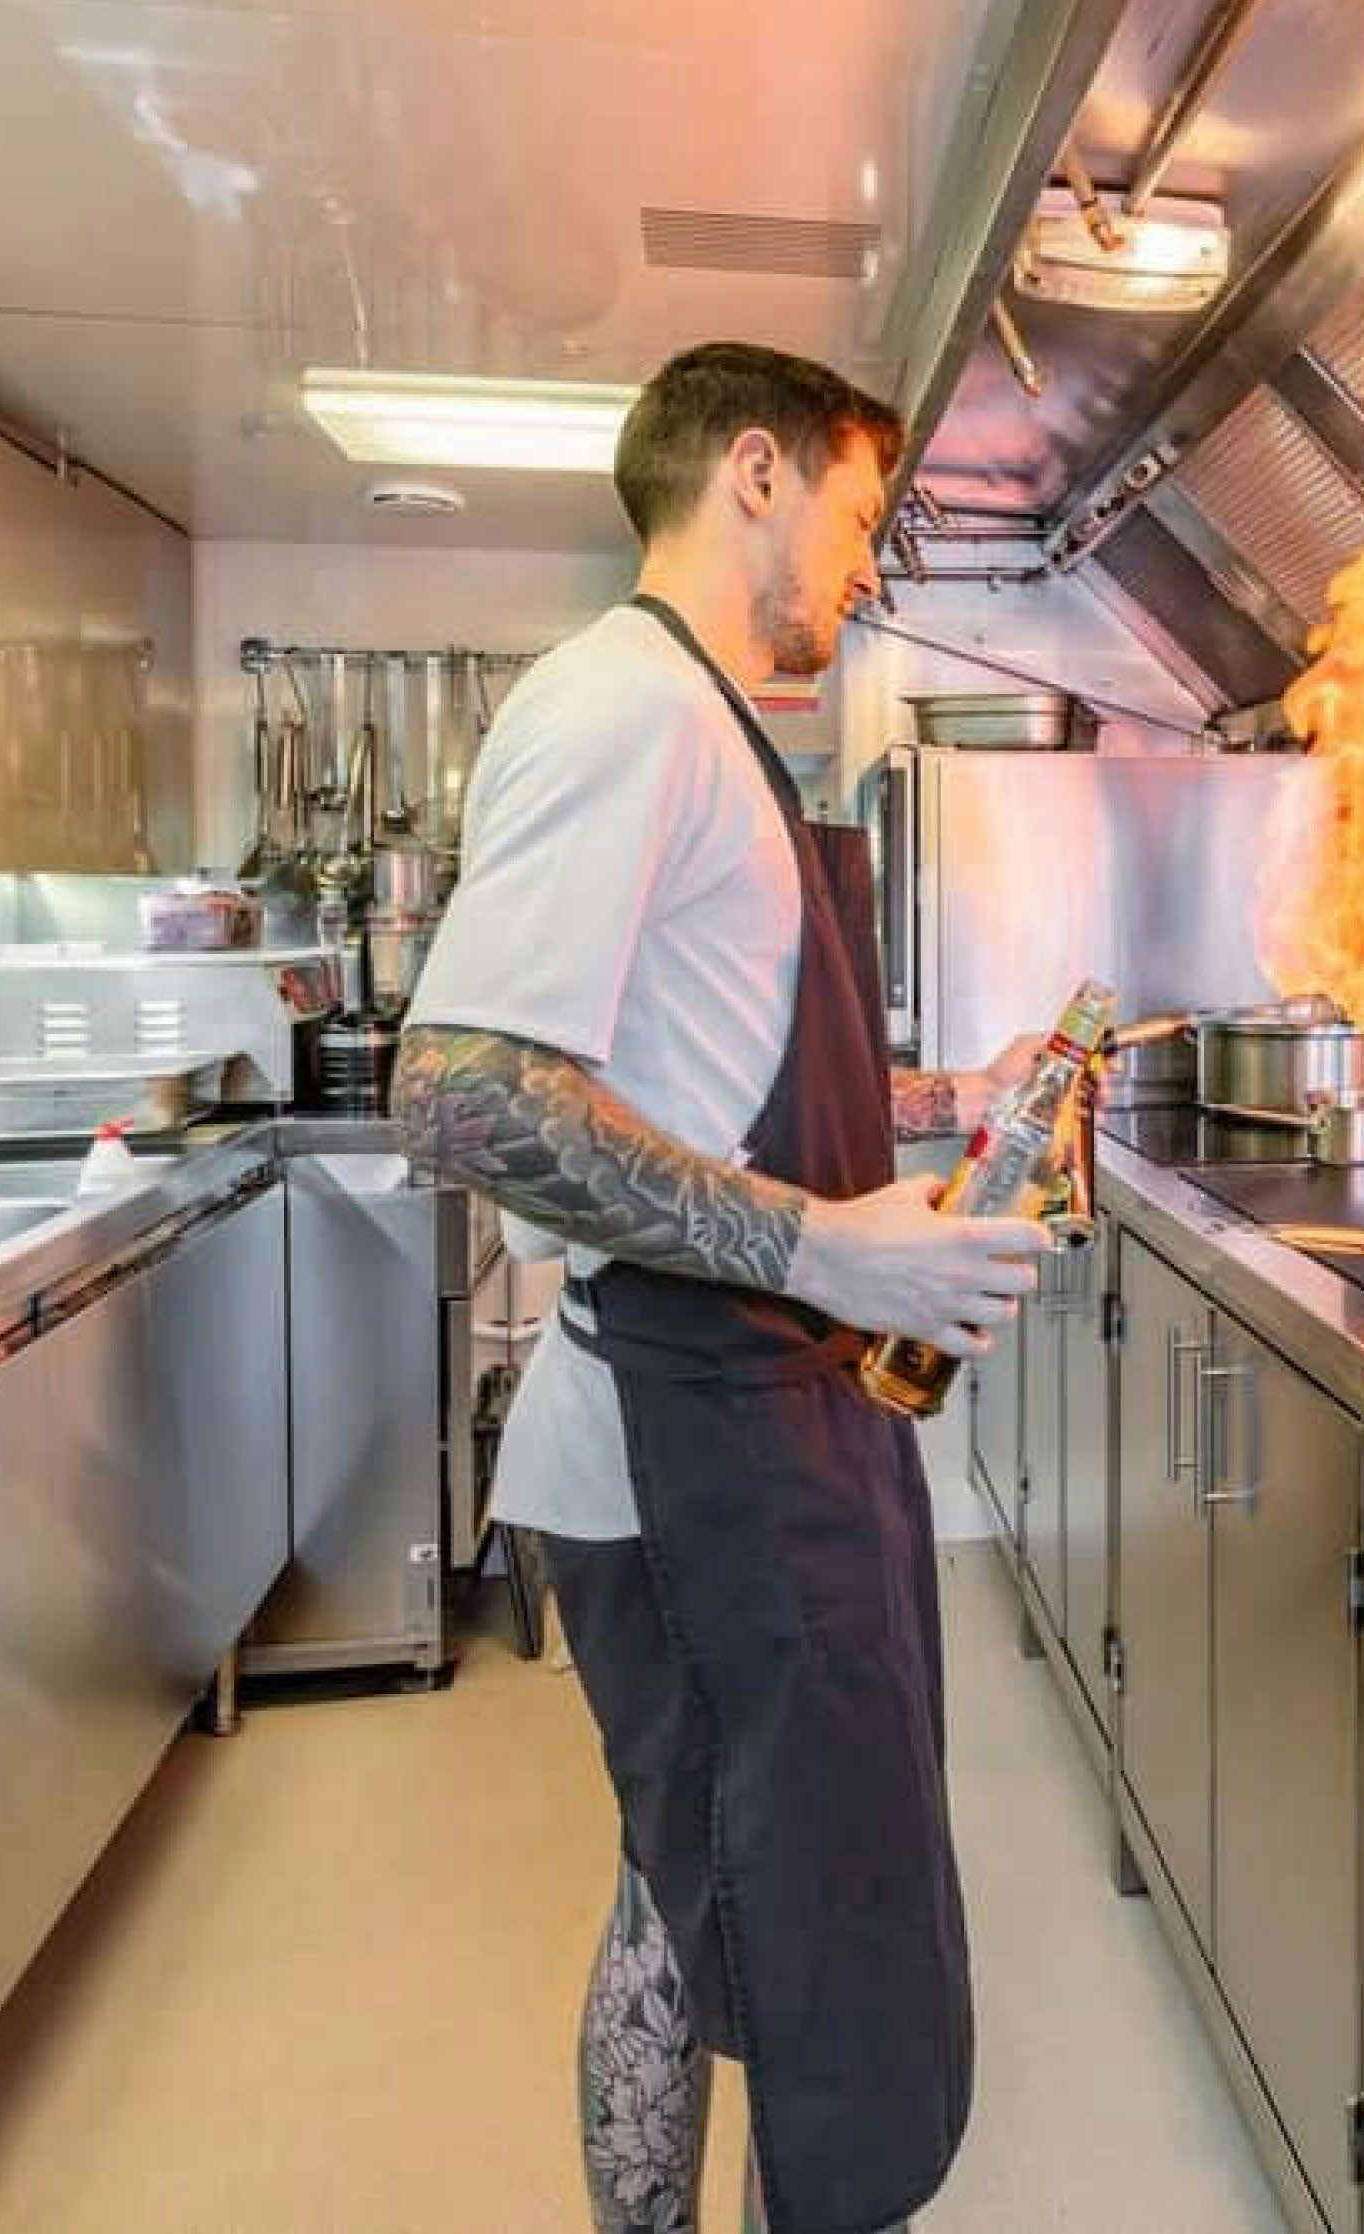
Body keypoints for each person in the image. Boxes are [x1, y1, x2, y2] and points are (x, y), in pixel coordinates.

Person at [392, 340, 1048, 2234]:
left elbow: (693, 1054)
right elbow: (458, 1089)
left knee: (701, 1894)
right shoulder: (621, 709)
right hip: (694, 1452)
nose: (860, 570)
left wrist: (945, 1098)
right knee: (775, 1926)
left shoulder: (710, 726)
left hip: (768, 1424)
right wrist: (825, 1245)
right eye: (854, 517)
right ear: (753, 473)